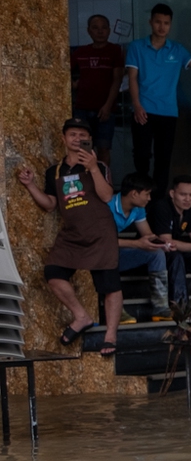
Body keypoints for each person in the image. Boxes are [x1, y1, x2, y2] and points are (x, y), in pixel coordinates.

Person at [15, 119, 123, 355]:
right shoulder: (54, 171)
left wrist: (94, 168)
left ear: (89, 141)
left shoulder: (100, 166)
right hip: (72, 234)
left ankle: (110, 335)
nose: (77, 139)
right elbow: (51, 204)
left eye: (82, 135)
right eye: (72, 134)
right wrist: (30, 185)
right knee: (53, 273)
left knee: (109, 285)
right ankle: (81, 316)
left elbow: (106, 197)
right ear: (63, 139)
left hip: (100, 233)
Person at [125, 3, 191, 198]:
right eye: (158, 22)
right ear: (150, 23)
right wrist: (137, 106)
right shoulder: (137, 47)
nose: (162, 27)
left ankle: (157, 200)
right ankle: (139, 196)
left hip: (168, 112)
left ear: (170, 25)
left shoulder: (177, 49)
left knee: (163, 160)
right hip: (143, 110)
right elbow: (132, 78)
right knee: (142, 157)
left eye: (166, 23)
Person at [107, 173, 172, 321]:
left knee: (157, 253)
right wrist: (137, 243)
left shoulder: (138, 209)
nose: (149, 198)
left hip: (116, 252)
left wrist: (161, 243)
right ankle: (117, 312)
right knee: (108, 255)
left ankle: (160, 308)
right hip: (100, 253)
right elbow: (102, 241)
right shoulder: (107, 206)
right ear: (134, 194)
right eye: (147, 194)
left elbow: (147, 235)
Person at [69, 14, 124, 157]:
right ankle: (87, 179)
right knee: (84, 149)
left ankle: (103, 179)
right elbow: (61, 71)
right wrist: (73, 84)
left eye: (104, 28)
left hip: (105, 110)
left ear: (109, 30)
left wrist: (107, 106)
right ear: (88, 31)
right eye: (95, 28)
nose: (100, 31)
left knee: (103, 148)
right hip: (83, 109)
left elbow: (117, 79)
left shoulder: (115, 51)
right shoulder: (81, 52)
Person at [150, 174, 191, 305]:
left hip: (177, 253)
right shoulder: (162, 207)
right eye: (183, 194)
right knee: (176, 256)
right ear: (172, 193)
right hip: (156, 253)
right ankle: (180, 306)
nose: (188, 199)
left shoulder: (190, 211)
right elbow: (168, 242)